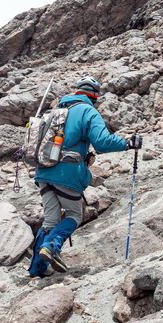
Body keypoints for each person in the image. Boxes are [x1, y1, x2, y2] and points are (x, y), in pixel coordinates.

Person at [28, 76, 140, 276]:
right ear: (94, 95)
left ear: (77, 91)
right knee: (74, 214)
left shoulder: (54, 111)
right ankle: (53, 245)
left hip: (43, 171)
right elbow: (102, 142)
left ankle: (37, 269)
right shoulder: (88, 111)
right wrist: (127, 143)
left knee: (50, 220)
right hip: (67, 173)